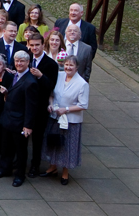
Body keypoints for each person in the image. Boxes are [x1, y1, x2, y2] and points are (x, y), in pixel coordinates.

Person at [41, 55, 89, 185]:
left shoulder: (82, 84)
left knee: (66, 146)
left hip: (70, 121)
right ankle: (52, 167)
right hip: (55, 116)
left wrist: (66, 109)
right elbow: (52, 93)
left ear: (77, 67)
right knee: (53, 142)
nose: (68, 67)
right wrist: (50, 104)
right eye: (66, 64)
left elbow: (83, 105)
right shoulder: (59, 75)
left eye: (71, 65)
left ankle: (65, 173)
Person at [0, 50, 39, 187]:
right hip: (8, 118)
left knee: (20, 150)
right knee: (6, 147)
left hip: (20, 122)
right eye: (17, 61)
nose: (19, 64)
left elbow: (31, 107)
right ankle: (4, 169)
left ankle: (19, 175)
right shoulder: (13, 76)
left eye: (22, 61)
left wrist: (28, 126)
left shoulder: (31, 82)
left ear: (28, 63)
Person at [26, 32, 59, 178]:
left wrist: (41, 76)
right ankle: (19, 161)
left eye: (37, 45)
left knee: (38, 138)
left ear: (42, 45)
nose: (34, 48)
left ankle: (35, 165)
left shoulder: (50, 64)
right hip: (25, 104)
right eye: (31, 45)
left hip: (40, 106)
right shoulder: (24, 59)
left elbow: (51, 86)